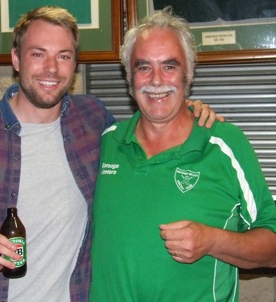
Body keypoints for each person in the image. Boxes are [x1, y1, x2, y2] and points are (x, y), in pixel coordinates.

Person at [0, 6, 218, 302]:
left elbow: (147, 136)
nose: (51, 68)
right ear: (15, 59)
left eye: (63, 56)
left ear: (74, 64)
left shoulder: (93, 118)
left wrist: (186, 111)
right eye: (38, 54)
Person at [89, 6, 276, 302]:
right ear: (129, 76)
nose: (156, 80)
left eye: (169, 66)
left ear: (188, 73)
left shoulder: (224, 144)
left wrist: (213, 240)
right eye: (143, 66)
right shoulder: (106, 143)